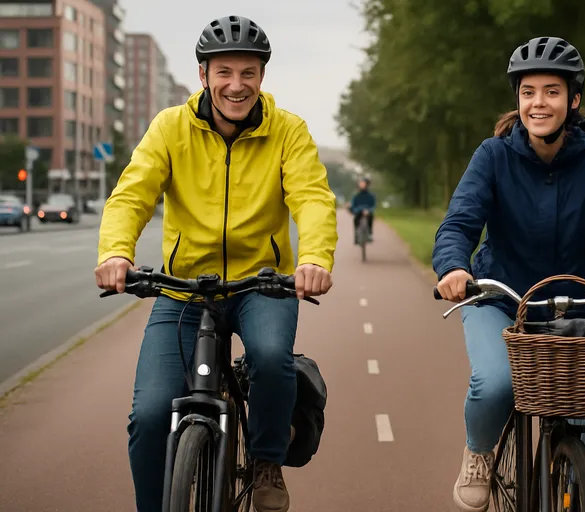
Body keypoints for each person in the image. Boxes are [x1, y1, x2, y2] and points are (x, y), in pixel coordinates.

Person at [94, 15, 338, 512]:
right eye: (224, 72)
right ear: (203, 75)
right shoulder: (170, 127)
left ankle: (268, 460)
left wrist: (313, 257)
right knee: (149, 414)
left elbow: (312, 199)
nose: (236, 85)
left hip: (261, 286)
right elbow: (131, 196)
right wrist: (116, 251)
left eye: (248, 73)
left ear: (262, 78)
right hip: (184, 288)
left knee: (272, 359)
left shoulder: (288, 130)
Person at [432, 36, 585, 512]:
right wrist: (454, 267)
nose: (538, 102)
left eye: (551, 91)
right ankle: (480, 454)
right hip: (497, 296)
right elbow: (460, 222)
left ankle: (567, 481)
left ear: (574, 99)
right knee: (497, 383)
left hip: (575, 304)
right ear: (517, 100)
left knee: (579, 402)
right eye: (528, 92)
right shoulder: (493, 155)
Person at [349, 176, 376, 243]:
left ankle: (370, 234)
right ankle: (356, 236)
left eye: (363, 183)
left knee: (371, 217)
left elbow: (373, 205)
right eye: (361, 183)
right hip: (358, 211)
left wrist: (369, 210)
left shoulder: (371, 195)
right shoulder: (356, 195)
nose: (362, 185)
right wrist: (356, 210)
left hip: (367, 211)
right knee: (355, 219)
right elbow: (353, 205)